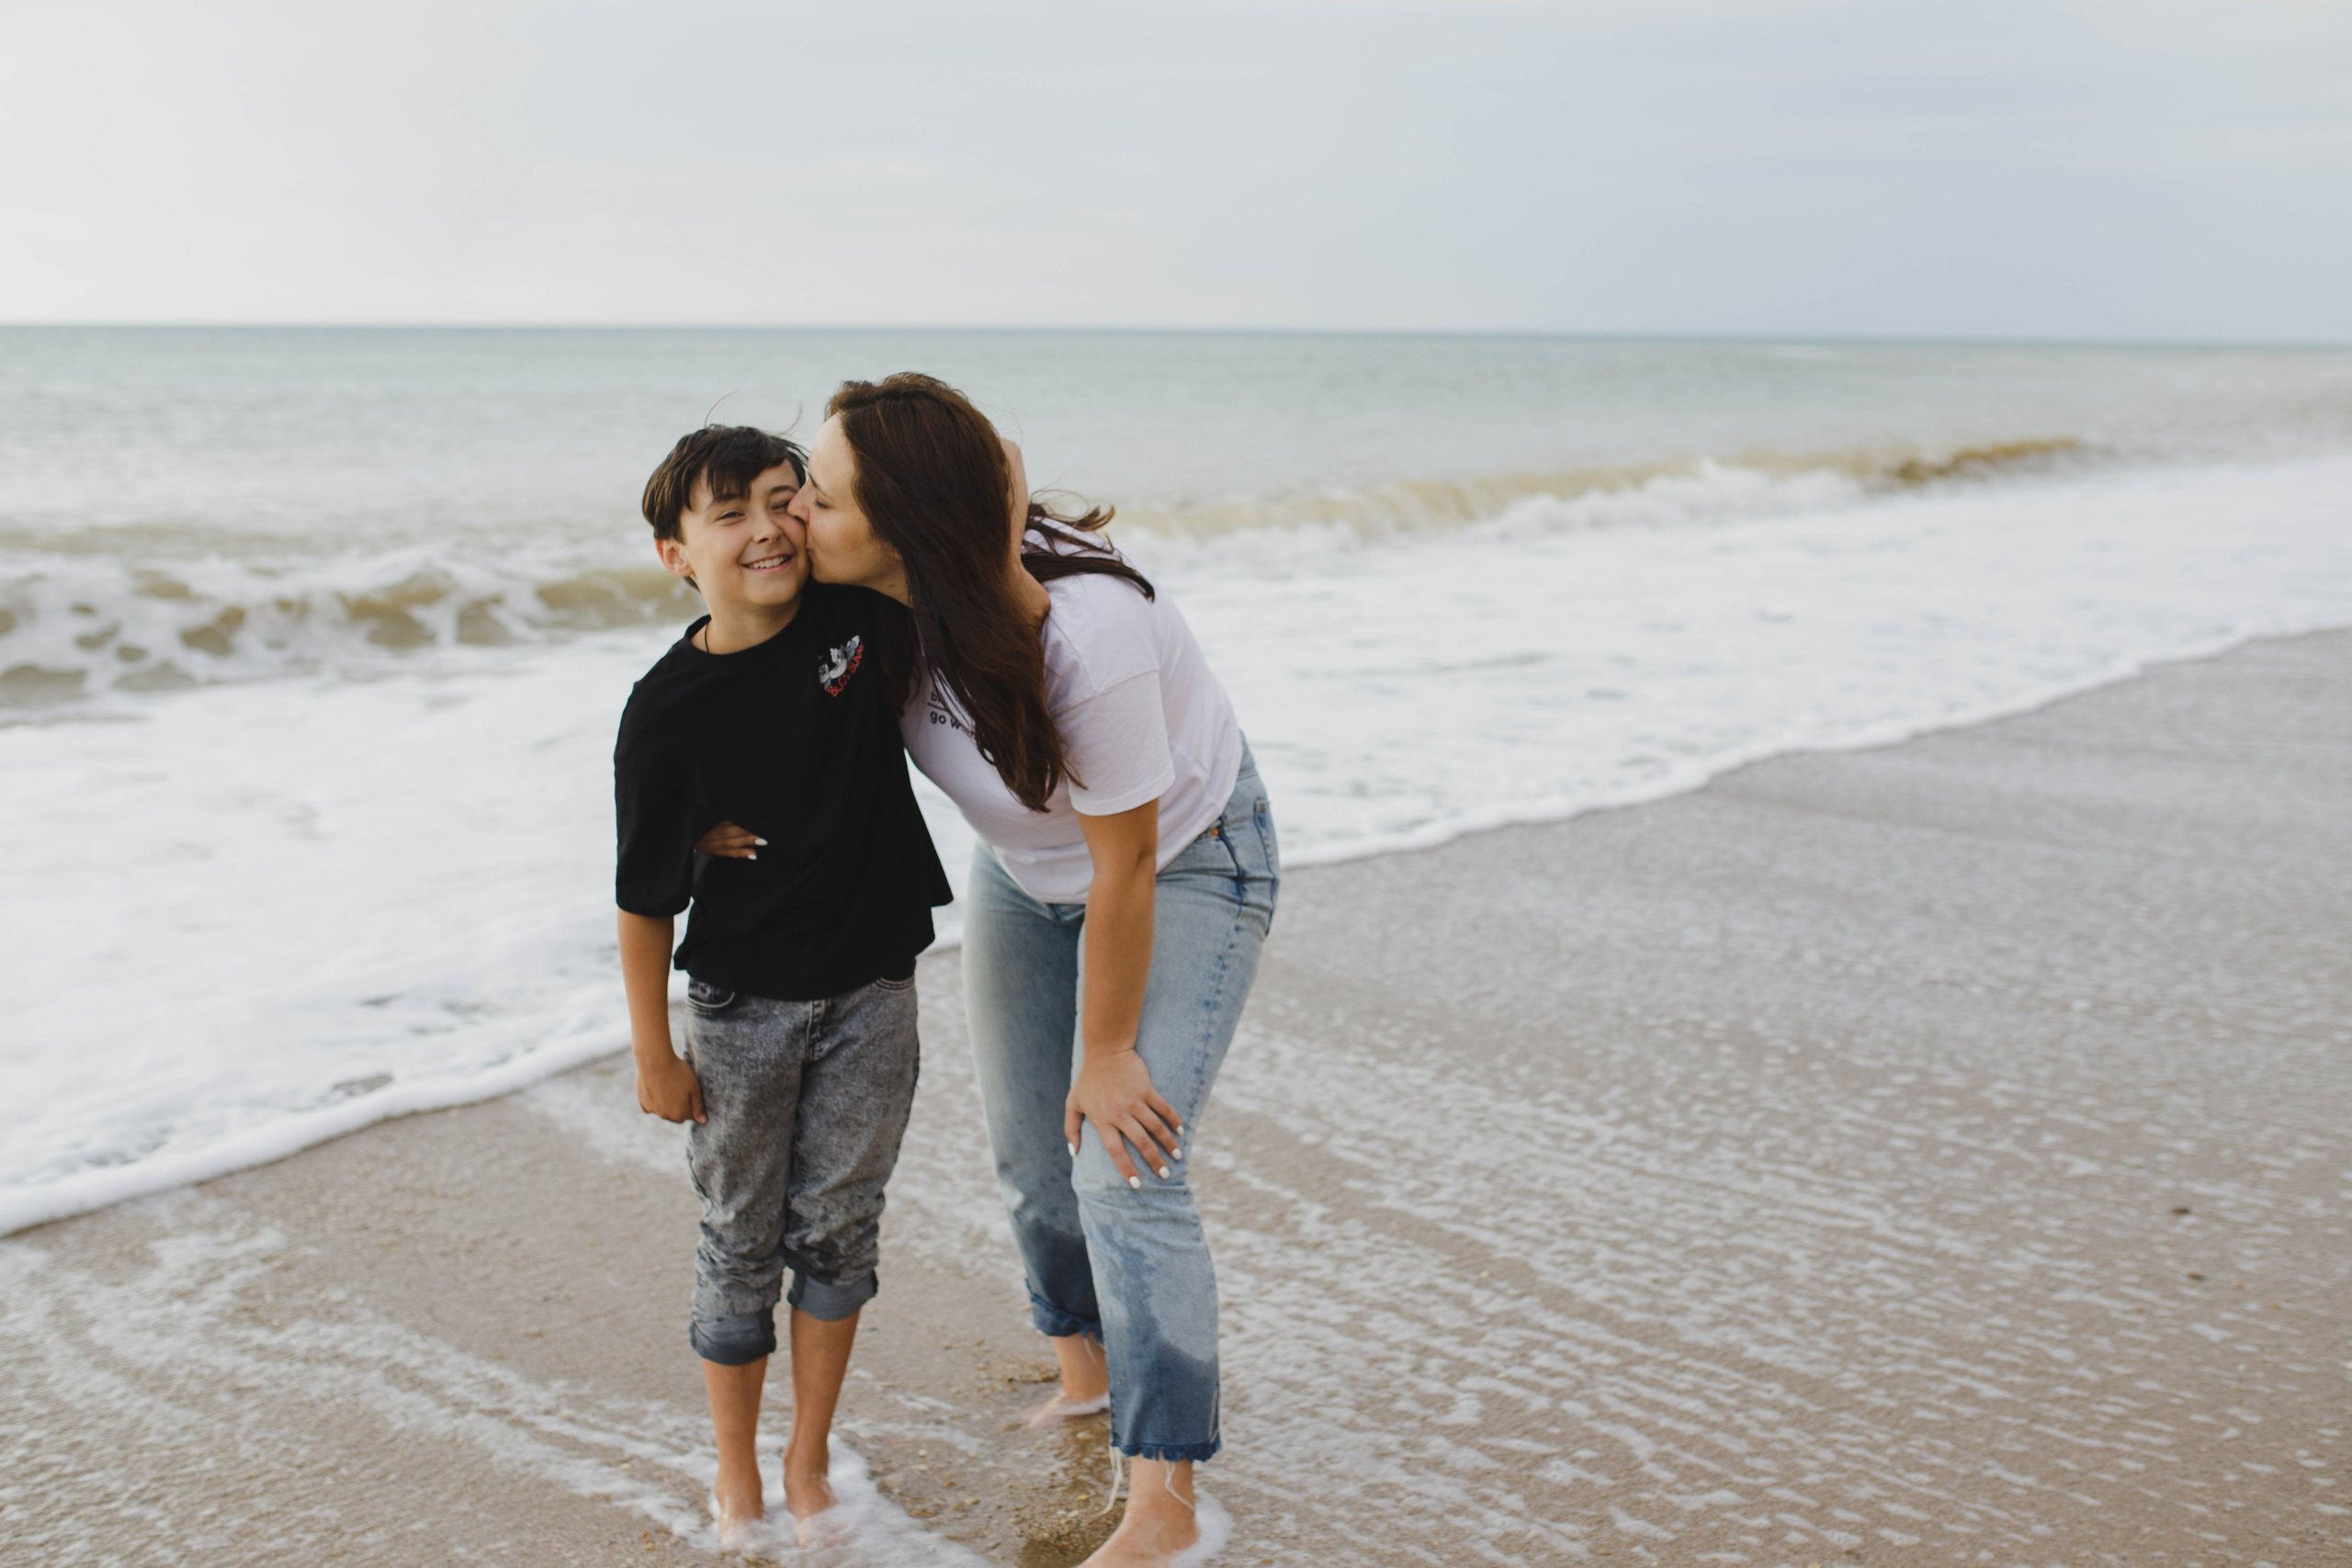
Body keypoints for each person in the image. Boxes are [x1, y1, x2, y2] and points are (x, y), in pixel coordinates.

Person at [743, 372, 1275, 1567]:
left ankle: (1164, 1492)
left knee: (1121, 1157)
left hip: (1186, 862)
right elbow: (1001, 455)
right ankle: (1085, 1372)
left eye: (817, 498)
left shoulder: (1089, 635)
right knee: (1031, 1159)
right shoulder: (877, 603)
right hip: (1030, 876)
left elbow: (1128, 863)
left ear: (908, 521)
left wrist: (1105, 1051)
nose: (795, 520)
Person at [612, 424, 951, 1550]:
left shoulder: (859, 622)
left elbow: (945, 527)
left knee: (842, 1231)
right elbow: (644, 893)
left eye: (782, 498)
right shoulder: (665, 710)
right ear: (676, 554)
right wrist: (655, 1051)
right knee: (737, 1242)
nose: (765, 529)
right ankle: (735, 1474)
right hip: (741, 1010)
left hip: (873, 989)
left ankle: (807, 1461)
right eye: (728, 514)